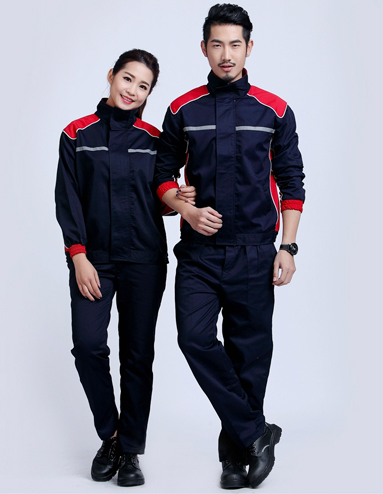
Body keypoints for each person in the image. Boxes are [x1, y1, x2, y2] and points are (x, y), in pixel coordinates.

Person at [154, 4, 305, 489]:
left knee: (249, 357)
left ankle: (235, 459)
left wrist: (288, 248)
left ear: (249, 47)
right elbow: (161, 175)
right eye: (216, 44)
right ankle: (258, 433)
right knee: (193, 338)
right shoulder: (182, 109)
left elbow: (292, 181)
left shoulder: (274, 109)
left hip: (256, 251)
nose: (226, 54)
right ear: (204, 48)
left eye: (235, 44)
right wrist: (186, 210)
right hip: (199, 254)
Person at [55, 49, 195, 487]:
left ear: (149, 94)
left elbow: (162, 195)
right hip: (93, 259)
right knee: (88, 346)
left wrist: (178, 202)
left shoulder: (155, 138)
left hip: (144, 260)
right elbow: (68, 198)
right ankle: (111, 435)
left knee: (137, 355)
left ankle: (131, 450)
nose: (132, 90)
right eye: (128, 78)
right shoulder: (76, 134)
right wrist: (78, 256)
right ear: (111, 75)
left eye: (143, 86)